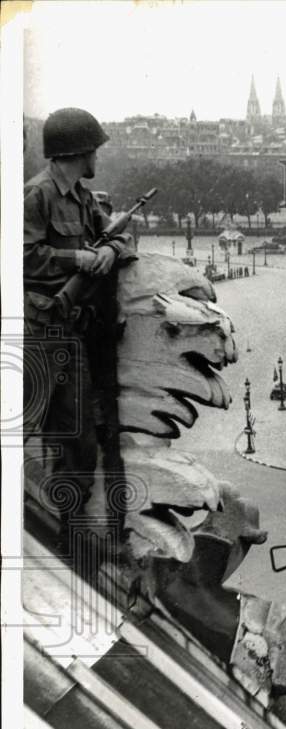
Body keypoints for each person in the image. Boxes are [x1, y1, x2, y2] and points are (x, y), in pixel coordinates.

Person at [23, 108, 136, 548]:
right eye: (93, 150)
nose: (97, 158)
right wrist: (80, 259)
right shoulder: (37, 196)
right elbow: (22, 257)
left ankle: (67, 536)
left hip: (68, 334)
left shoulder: (82, 198)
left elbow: (113, 233)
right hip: (39, 331)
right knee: (36, 430)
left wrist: (110, 249)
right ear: (78, 151)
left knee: (79, 442)